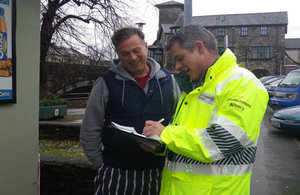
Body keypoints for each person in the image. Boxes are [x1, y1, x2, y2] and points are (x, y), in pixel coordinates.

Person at [143, 24, 269, 194]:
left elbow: (224, 140)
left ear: (198, 47)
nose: (177, 66)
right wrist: (159, 145)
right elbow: (185, 140)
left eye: (180, 58)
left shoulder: (242, 82)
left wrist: (166, 133)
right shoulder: (195, 88)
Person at [80, 27, 181, 195]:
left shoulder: (168, 79)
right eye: (125, 53)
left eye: (136, 50)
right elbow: (89, 129)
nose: (133, 58)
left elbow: (181, 121)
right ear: (118, 54)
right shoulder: (105, 82)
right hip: (116, 175)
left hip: (161, 172)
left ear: (146, 47)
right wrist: (100, 165)